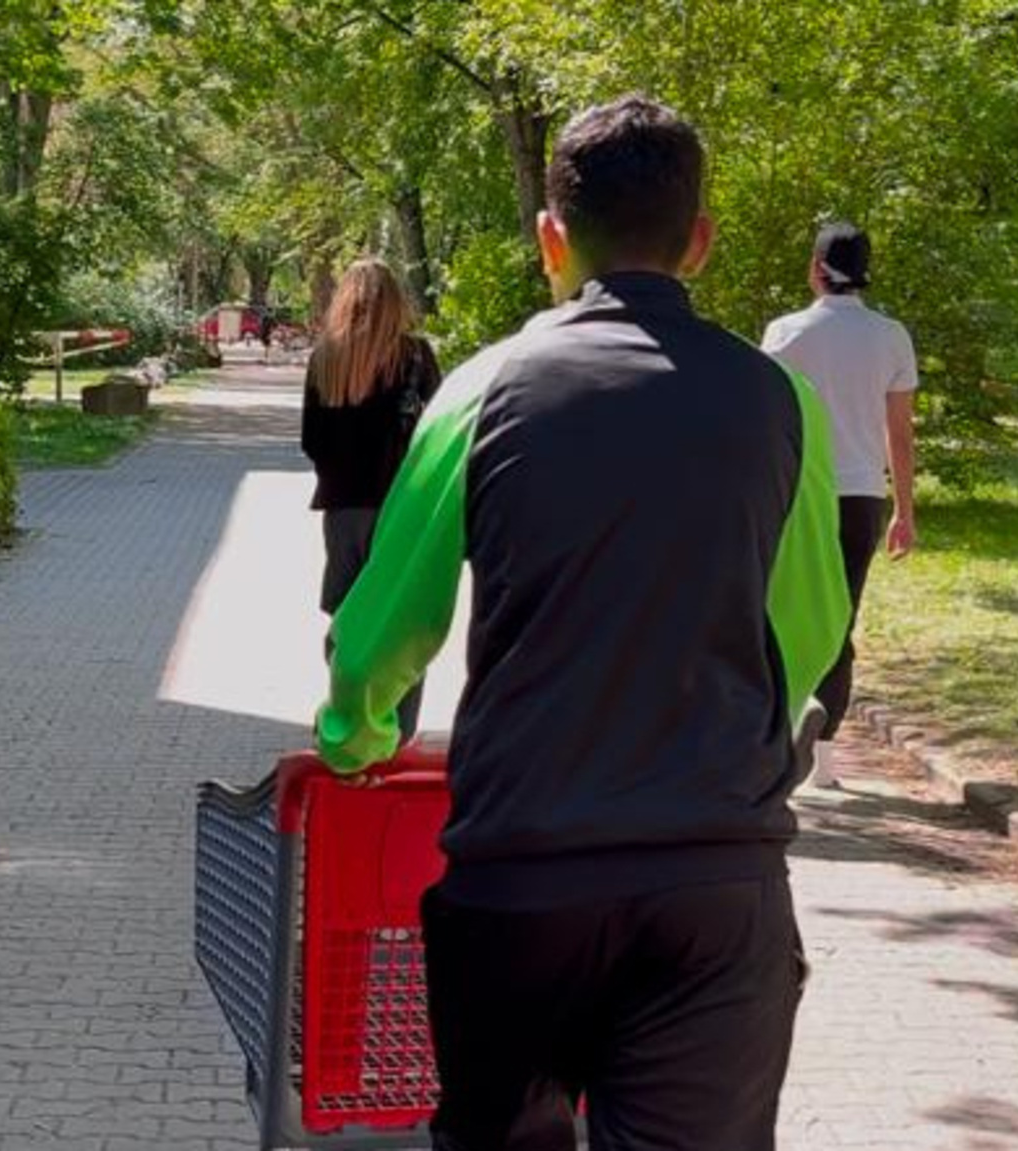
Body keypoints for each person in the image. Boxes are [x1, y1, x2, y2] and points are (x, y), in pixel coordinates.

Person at [315, 96, 851, 1150]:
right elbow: (813, 627)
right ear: (698, 239)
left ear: (550, 238)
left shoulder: (481, 391)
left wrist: (356, 735)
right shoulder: (780, 399)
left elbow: (383, 633)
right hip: (715, 883)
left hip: (524, 880)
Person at [763, 222, 919, 788]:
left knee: (783, 611)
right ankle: (823, 757)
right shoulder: (891, 336)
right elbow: (898, 434)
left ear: (815, 269)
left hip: (796, 492)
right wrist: (905, 511)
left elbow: (766, 419)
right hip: (861, 497)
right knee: (841, 617)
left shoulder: (784, 333)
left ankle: (778, 735)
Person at [302, 258, 440, 741]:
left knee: (348, 615)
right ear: (396, 302)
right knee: (399, 622)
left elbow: (311, 441)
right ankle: (397, 729)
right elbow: (435, 435)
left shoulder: (325, 359)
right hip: (402, 510)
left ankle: (344, 718)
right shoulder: (415, 358)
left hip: (342, 510)